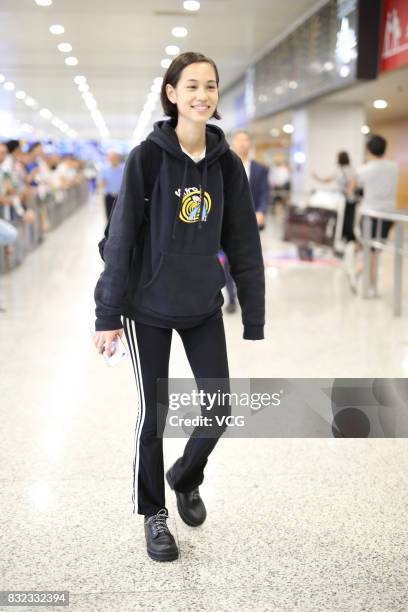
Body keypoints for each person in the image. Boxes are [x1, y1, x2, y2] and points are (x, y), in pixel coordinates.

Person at [92, 52, 265, 562]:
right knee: (156, 414)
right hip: (147, 306)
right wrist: (106, 314)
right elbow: (121, 237)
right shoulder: (147, 157)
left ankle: (185, 476)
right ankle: (154, 514)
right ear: (171, 94)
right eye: (191, 85)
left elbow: (243, 242)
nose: (202, 95)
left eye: (210, 86)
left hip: (201, 305)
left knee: (220, 408)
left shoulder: (227, 163)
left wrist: (252, 314)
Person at [222, 129, 269, 313]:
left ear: (250, 143)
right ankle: (232, 297)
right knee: (227, 261)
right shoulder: (224, 166)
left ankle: (246, 296)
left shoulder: (260, 169)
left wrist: (262, 211)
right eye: (239, 140)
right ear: (233, 143)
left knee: (248, 261)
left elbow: (265, 193)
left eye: (246, 140)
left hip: (251, 222)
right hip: (227, 222)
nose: (242, 144)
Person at [347, 134, 399, 296]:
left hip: (369, 214)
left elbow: (350, 191)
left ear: (369, 150)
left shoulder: (364, 169)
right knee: (375, 252)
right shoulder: (394, 167)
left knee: (369, 251)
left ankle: (357, 274)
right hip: (388, 215)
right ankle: (371, 286)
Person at [312, 150, 357, 242]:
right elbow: (328, 179)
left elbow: (353, 182)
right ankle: (339, 238)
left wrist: (348, 191)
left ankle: (349, 239)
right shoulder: (338, 170)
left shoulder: (349, 169)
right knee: (339, 219)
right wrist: (317, 178)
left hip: (349, 201)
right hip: (340, 200)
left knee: (348, 221)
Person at [99, 152, 125, 220]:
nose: (112, 160)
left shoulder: (124, 168)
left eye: (114, 158)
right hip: (109, 196)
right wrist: (102, 184)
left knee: (121, 216)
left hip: (120, 196)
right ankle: (110, 230)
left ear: (118, 158)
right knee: (109, 216)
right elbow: (101, 183)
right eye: (111, 158)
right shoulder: (104, 170)